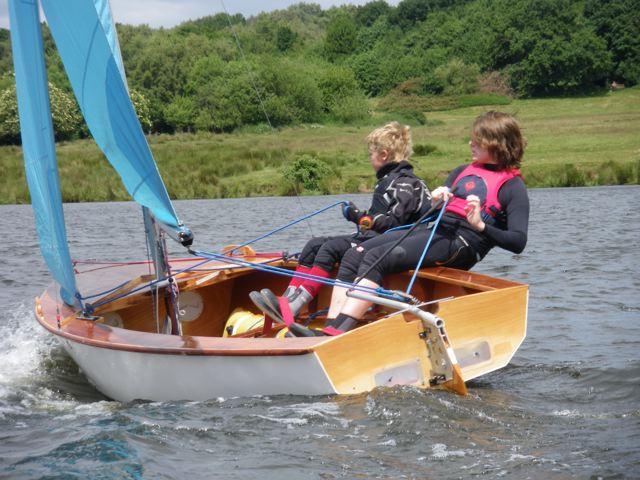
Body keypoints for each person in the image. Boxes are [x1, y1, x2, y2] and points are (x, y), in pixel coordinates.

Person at [289, 110, 529, 337]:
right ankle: (330, 328)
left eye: (477, 140)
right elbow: (425, 214)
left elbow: (518, 242)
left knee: (376, 258)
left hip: (462, 243)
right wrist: (434, 203)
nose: (470, 144)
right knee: (356, 254)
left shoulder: (513, 187)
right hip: (434, 231)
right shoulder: (460, 171)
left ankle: (339, 332)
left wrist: (481, 226)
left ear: (497, 143)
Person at [251, 121, 431, 319]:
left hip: (386, 244)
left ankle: (295, 306)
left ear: (383, 155)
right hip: (373, 237)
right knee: (313, 245)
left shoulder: (404, 183)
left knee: (330, 248)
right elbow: (380, 219)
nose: (370, 158)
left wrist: (359, 216)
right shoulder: (390, 180)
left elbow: (395, 223)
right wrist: (360, 216)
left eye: (371, 153)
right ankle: (287, 299)